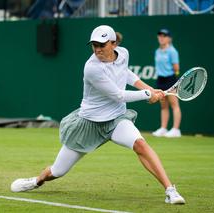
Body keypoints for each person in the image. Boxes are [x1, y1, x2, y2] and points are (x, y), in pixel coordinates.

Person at [11, 25, 185, 204]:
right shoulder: (92, 68)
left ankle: (170, 190)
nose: (97, 49)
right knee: (57, 171)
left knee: (140, 145)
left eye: (102, 45)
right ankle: (36, 181)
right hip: (89, 124)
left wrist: (148, 88)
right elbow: (118, 94)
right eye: (94, 45)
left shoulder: (123, 53)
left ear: (113, 44)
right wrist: (147, 95)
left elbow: (125, 74)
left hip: (117, 120)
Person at [152, 29, 182, 138]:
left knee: (174, 105)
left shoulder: (172, 51)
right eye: (159, 35)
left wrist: (175, 80)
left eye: (164, 36)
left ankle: (175, 129)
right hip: (160, 80)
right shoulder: (157, 51)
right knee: (163, 106)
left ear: (169, 38)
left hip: (170, 79)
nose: (161, 37)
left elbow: (176, 68)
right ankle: (163, 128)